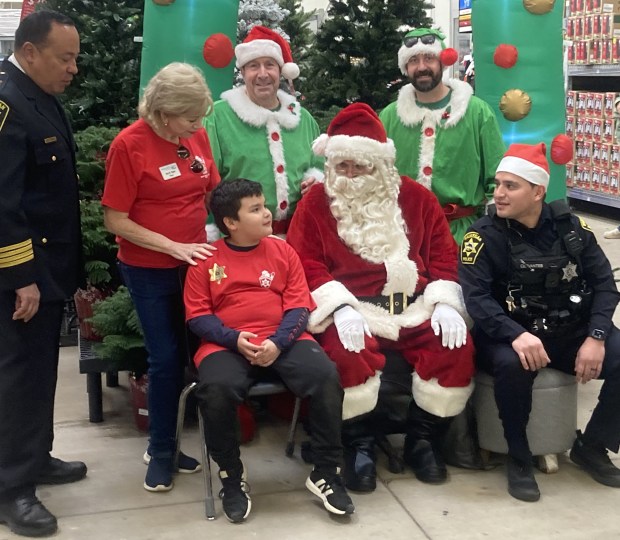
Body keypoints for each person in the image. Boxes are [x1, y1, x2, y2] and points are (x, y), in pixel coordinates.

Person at [287, 103, 476, 492]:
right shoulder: (314, 204)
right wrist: (338, 308)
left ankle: (424, 442)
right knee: (347, 354)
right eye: (343, 166)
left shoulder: (417, 199)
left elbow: (442, 254)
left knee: (454, 346)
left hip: (414, 304)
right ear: (332, 163)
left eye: (361, 166)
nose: (352, 175)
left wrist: (443, 300)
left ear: (381, 165)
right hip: (353, 308)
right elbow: (304, 263)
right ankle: (359, 445)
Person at [183, 179, 355, 523]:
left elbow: (298, 308)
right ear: (231, 222)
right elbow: (198, 316)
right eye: (256, 208)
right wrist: (234, 339)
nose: (268, 213)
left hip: (284, 339)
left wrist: (278, 342)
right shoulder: (206, 259)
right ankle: (232, 477)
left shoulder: (282, 251)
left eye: (264, 204)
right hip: (226, 344)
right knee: (216, 390)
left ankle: (325, 472)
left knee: (325, 376)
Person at [459, 142, 620, 502]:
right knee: (513, 367)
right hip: (505, 334)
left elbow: (605, 284)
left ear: (538, 192)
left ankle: (592, 446)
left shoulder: (571, 228)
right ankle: (518, 457)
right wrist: (516, 335)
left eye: (510, 186)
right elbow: (478, 300)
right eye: (497, 184)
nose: (499, 194)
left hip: (569, 329)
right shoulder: (482, 237)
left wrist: (596, 336)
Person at [102, 62, 220, 492]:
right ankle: (161, 452)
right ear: (162, 112)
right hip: (149, 268)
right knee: (165, 358)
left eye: (199, 118)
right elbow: (115, 219)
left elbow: (209, 189)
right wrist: (171, 246)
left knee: (190, 357)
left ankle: (170, 442)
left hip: (194, 264)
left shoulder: (193, 136)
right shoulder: (129, 145)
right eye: (189, 118)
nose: (196, 126)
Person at [0, 10, 87, 538]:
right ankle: (12, 487)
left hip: (46, 268)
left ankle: (35, 457)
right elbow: (3, 203)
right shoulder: (7, 105)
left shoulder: (37, 94)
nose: (73, 68)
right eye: (65, 57)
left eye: (75, 57)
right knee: (18, 378)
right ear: (30, 51)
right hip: (21, 276)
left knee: (39, 372)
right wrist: (22, 276)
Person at [379, 27, 505, 243]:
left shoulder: (476, 112)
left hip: (462, 237)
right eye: (413, 60)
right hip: (403, 236)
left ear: (442, 61)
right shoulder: (390, 116)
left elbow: (498, 177)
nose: (421, 67)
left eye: (429, 58)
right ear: (405, 67)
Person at [205, 25, 323, 237]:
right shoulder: (218, 117)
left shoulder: (303, 119)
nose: (262, 74)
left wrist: (316, 180)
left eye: (269, 65)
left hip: (299, 238)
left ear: (280, 70)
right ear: (242, 72)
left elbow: (322, 169)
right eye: (253, 66)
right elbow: (205, 184)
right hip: (239, 242)